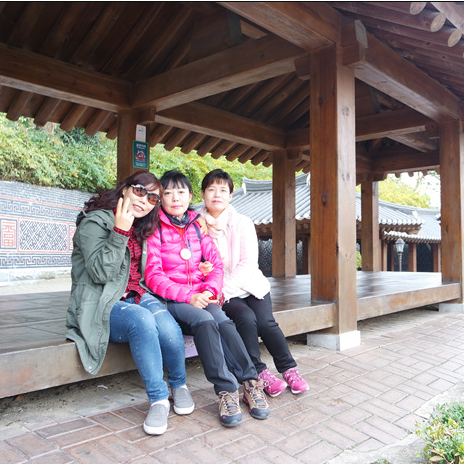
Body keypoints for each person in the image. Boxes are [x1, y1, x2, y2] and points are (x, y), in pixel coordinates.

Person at [65, 170, 194, 436]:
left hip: (136, 294)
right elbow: (100, 274)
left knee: (166, 323)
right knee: (142, 319)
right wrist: (120, 231)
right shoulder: (95, 222)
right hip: (100, 301)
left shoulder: (142, 226)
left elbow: (178, 232)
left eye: (152, 198)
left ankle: (179, 385)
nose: (144, 200)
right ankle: (159, 399)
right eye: (139, 191)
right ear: (125, 189)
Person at [145, 169, 269, 427]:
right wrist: (189, 296)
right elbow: (153, 275)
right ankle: (226, 390)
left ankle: (250, 382)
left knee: (223, 321)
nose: (175, 198)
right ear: (160, 198)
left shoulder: (197, 225)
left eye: (181, 192)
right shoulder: (154, 228)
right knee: (205, 320)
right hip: (175, 301)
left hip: (202, 296)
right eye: (168, 193)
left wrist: (210, 291)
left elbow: (216, 264)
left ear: (191, 195)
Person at [198, 169, 309, 397]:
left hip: (249, 284)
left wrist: (222, 289)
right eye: (211, 189)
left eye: (223, 190)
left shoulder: (242, 222)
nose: (217, 195)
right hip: (222, 292)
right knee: (246, 319)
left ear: (230, 195)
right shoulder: (196, 226)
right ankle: (259, 372)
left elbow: (248, 263)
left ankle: (288, 369)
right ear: (202, 194)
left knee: (266, 323)